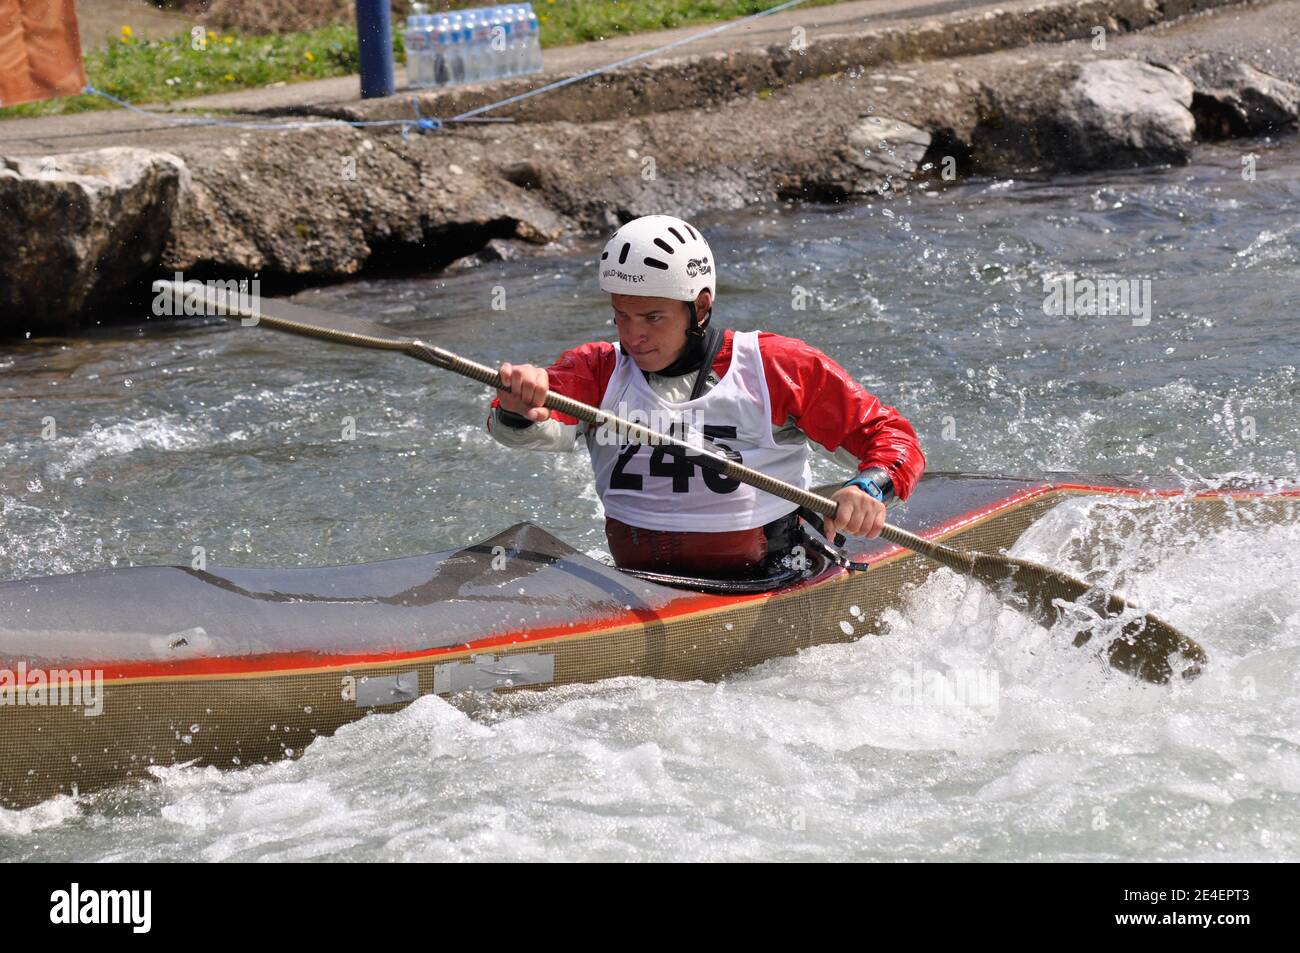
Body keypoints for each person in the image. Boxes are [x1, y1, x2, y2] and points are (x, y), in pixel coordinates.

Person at [488, 214, 924, 578]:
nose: (633, 335)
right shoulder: (598, 369)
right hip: (643, 584)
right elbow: (526, 427)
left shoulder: (777, 366)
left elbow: (891, 436)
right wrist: (517, 404)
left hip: (775, 571)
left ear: (699, 307)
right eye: (621, 315)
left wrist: (868, 488)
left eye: (652, 317)